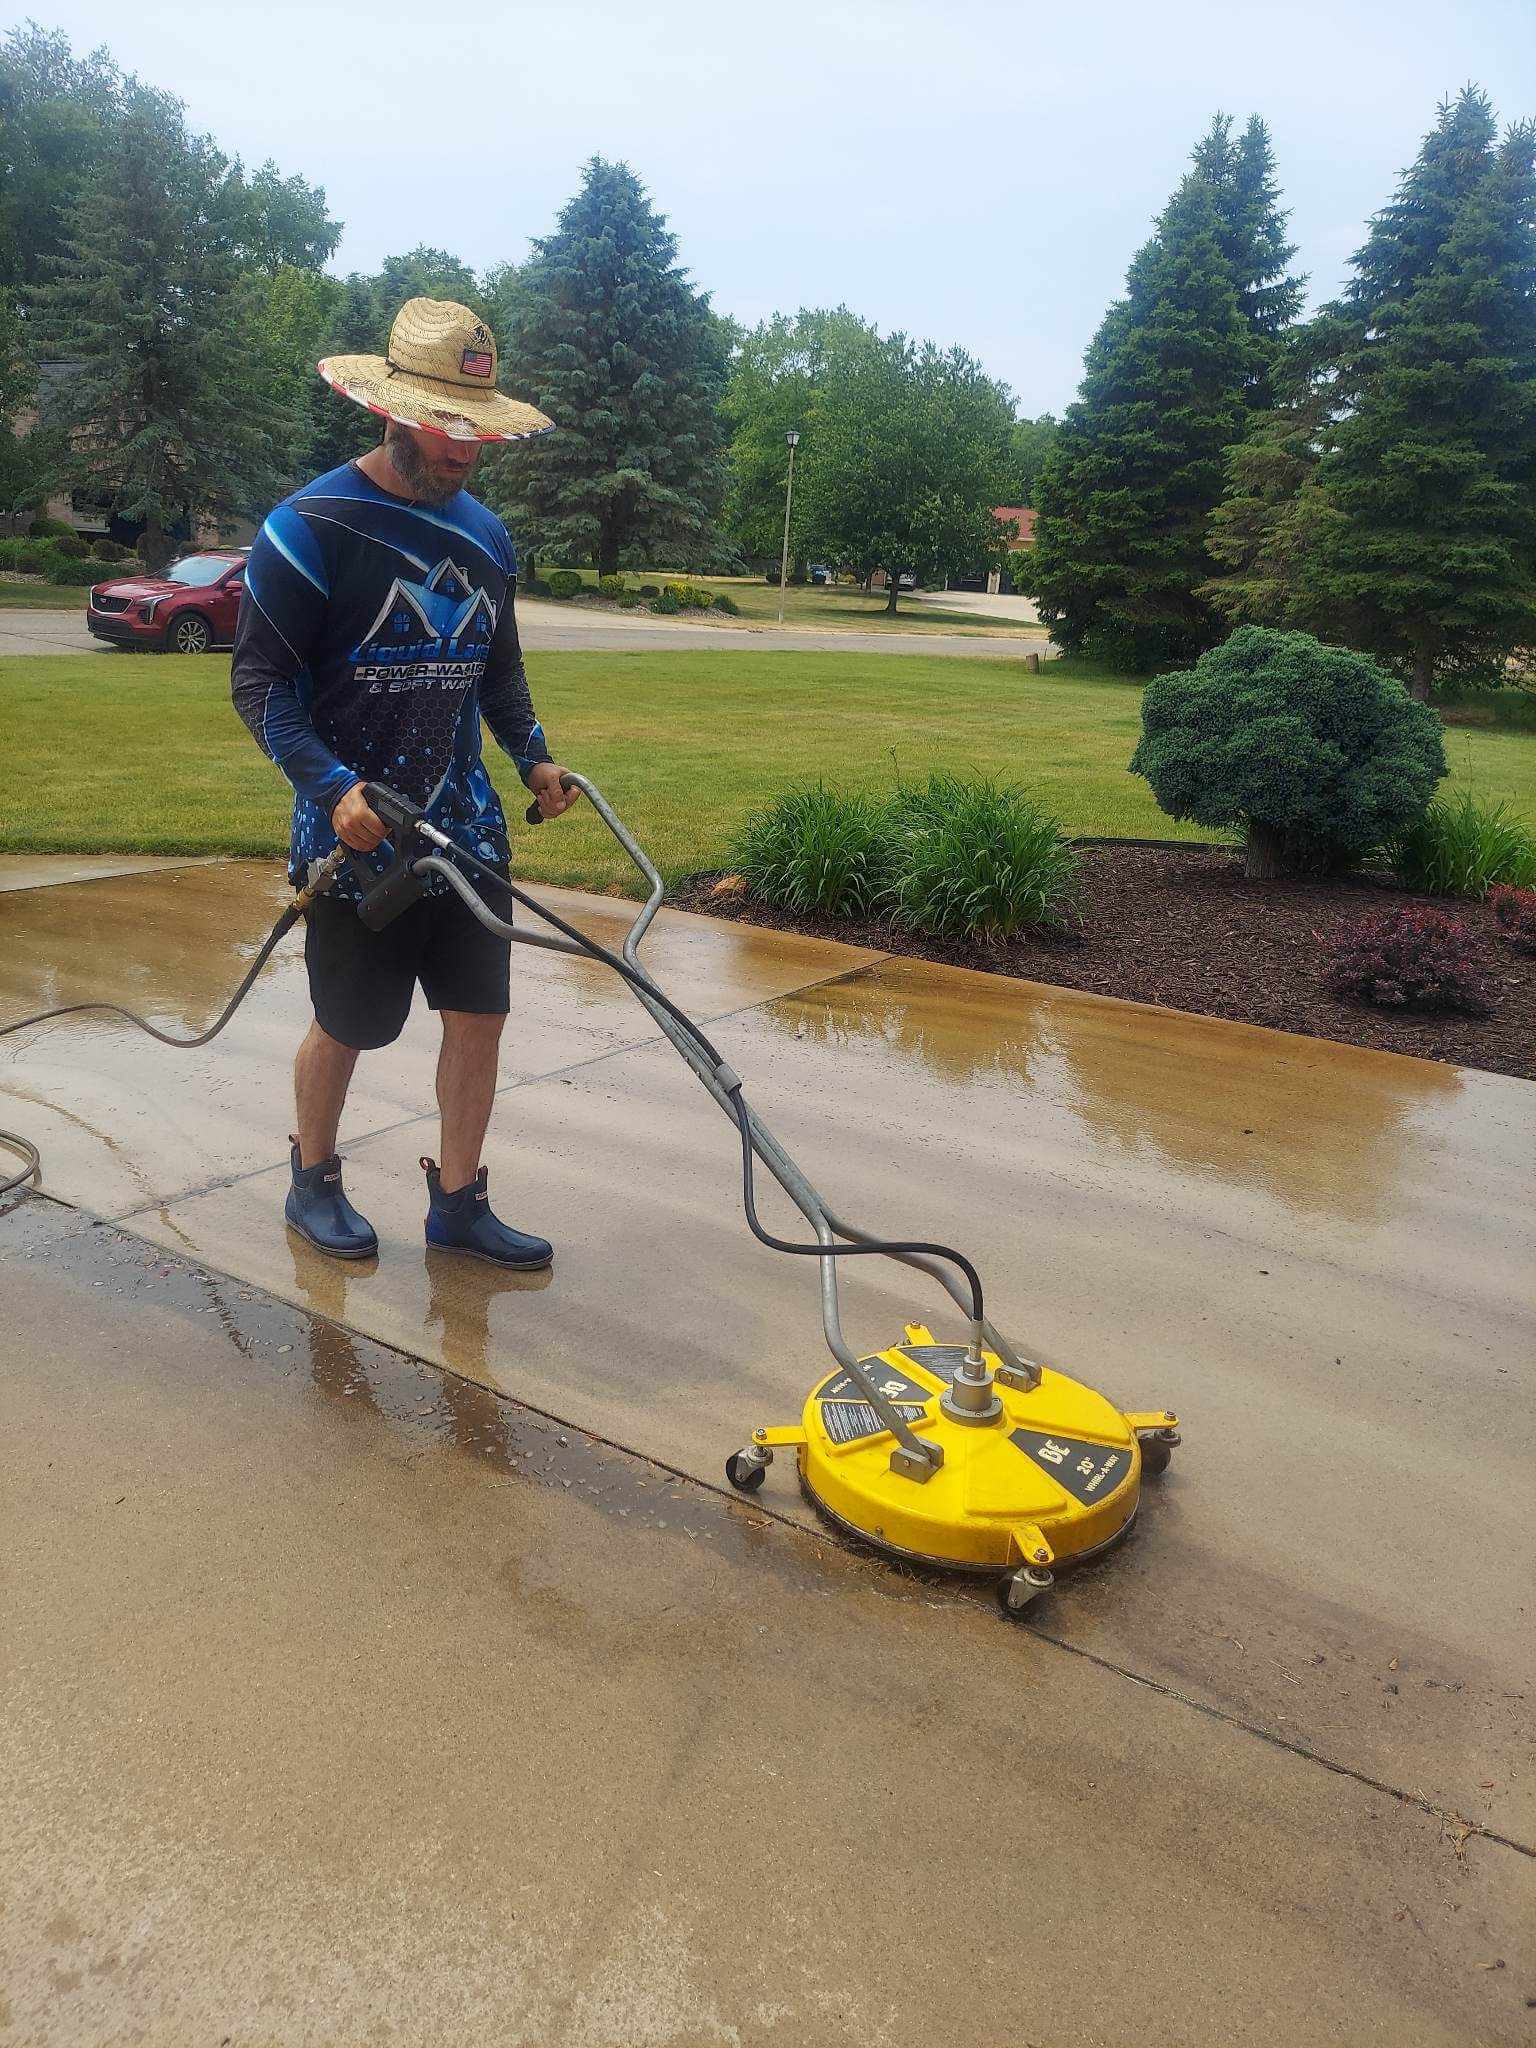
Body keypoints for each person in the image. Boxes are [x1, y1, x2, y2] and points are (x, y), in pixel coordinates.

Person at [231, 296, 578, 1270]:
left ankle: (458, 1203)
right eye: (445, 429)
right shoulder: (311, 527)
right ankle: (312, 1178)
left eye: (478, 433)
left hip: (466, 829)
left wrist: (534, 756)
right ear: (390, 412)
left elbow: (498, 670)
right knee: (348, 1022)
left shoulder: (487, 537)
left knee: (480, 1015)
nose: (464, 451)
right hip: (357, 834)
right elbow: (260, 685)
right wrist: (329, 786)